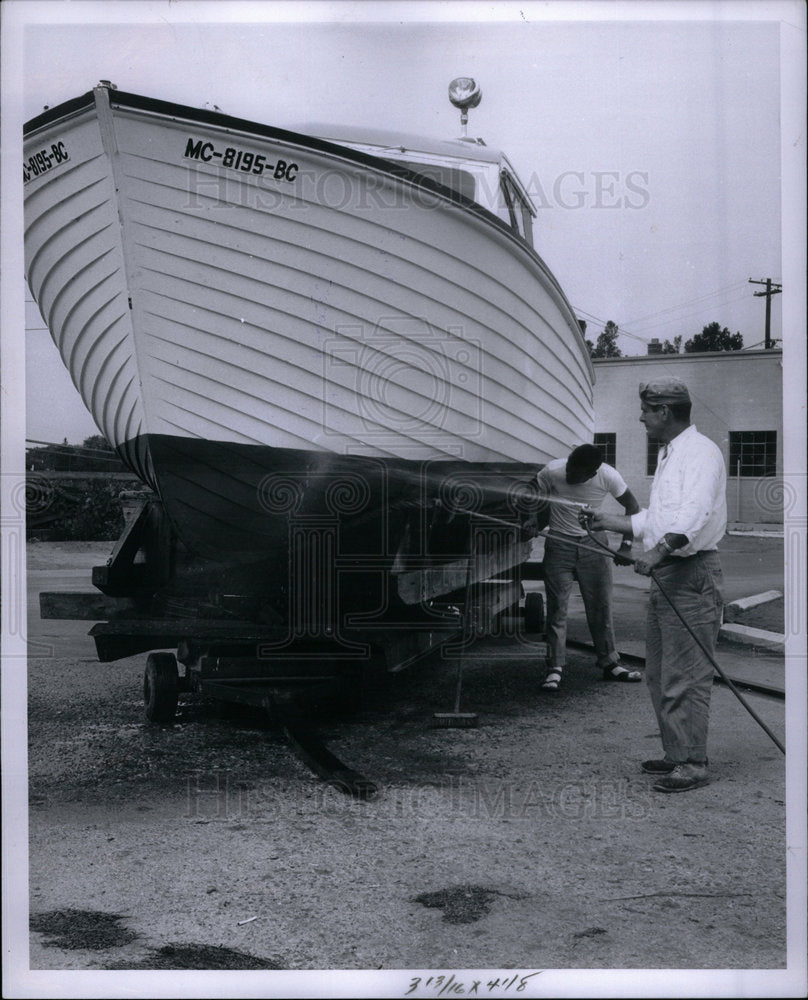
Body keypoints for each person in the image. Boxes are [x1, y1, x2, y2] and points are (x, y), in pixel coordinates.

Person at [589, 378, 726, 793]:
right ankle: (676, 753)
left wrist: (657, 552)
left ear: (665, 412)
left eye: (647, 411)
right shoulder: (671, 453)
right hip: (671, 573)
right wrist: (607, 521)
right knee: (661, 672)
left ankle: (694, 762)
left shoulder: (701, 453)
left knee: (685, 674)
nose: (641, 417)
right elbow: (659, 518)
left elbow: (694, 515)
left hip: (691, 574)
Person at [535, 443, 641, 692]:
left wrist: (626, 546)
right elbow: (538, 500)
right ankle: (554, 668)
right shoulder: (552, 470)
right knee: (557, 608)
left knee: (600, 606)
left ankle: (610, 663)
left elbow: (633, 507)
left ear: (592, 474)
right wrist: (534, 521)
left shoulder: (608, 476)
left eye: (576, 474)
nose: (569, 476)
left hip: (593, 544)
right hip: (559, 544)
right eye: (569, 468)